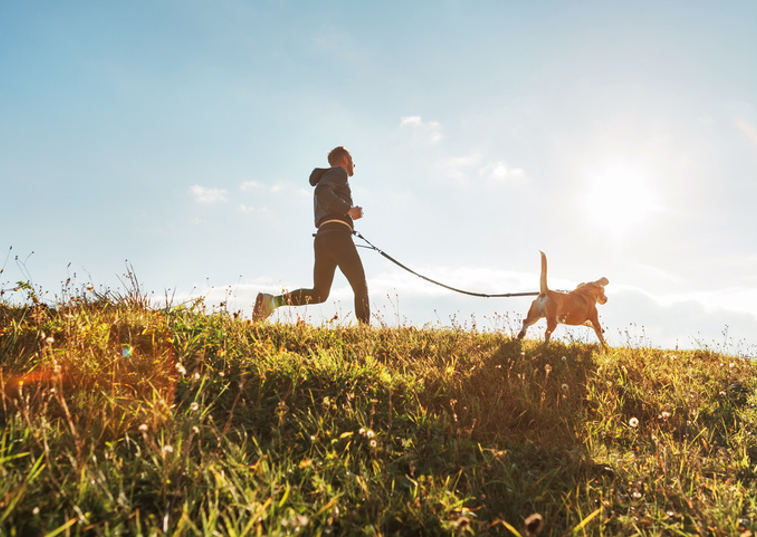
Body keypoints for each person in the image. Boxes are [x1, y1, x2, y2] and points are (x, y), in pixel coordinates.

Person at [253, 146, 370, 324]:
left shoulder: (329, 176)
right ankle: (365, 334)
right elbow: (322, 191)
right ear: (345, 159)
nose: (354, 164)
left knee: (319, 293)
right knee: (360, 286)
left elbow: (323, 192)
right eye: (352, 159)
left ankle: (271, 302)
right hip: (337, 236)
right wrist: (348, 210)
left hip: (324, 238)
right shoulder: (339, 173)